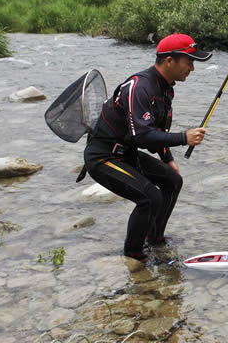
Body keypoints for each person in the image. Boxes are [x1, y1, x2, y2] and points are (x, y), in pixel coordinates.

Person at [83, 33, 212, 261]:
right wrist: (184, 137)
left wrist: (168, 160)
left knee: (173, 181)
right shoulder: (140, 87)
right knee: (149, 197)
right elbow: (143, 135)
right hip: (104, 158)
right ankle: (134, 255)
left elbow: (156, 130)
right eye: (189, 61)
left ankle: (156, 239)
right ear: (169, 61)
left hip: (126, 153)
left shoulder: (165, 88)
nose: (192, 68)